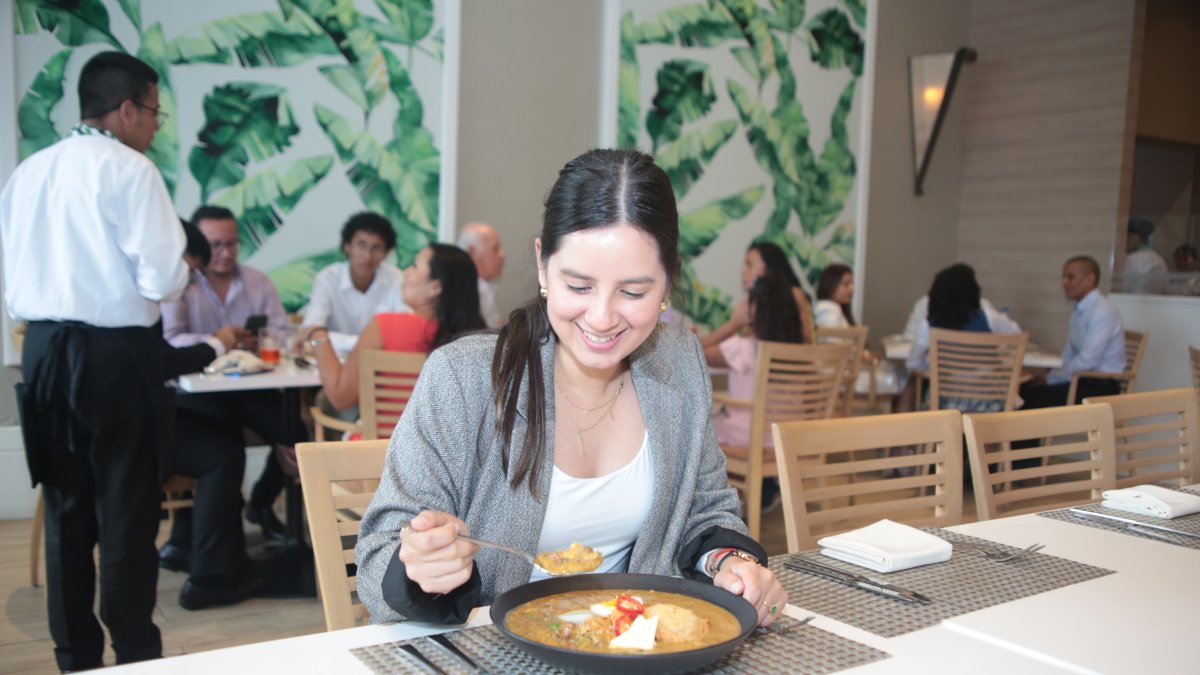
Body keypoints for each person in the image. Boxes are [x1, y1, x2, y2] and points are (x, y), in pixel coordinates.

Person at [355, 149, 786, 627]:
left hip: (627, 649)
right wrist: (420, 564)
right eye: (578, 286)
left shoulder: (680, 365)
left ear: (667, 283)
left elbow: (707, 509)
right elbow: (377, 560)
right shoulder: (464, 377)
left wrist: (729, 562)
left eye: (634, 292)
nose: (601, 319)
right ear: (543, 265)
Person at [1, 51, 189, 670]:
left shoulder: (29, 171)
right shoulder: (131, 171)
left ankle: (74, 656)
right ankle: (135, 651)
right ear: (128, 108)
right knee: (127, 509)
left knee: (66, 509)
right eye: (155, 112)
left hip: (44, 350)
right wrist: (181, 269)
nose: (157, 126)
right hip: (115, 356)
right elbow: (162, 278)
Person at [162, 205, 303, 545]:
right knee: (221, 440)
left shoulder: (257, 281)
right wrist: (219, 342)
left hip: (251, 385)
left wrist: (260, 341)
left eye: (232, 244)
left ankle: (264, 503)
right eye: (215, 245)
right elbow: (171, 339)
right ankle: (197, 528)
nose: (225, 253)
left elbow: (282, 331)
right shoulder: (180, 281)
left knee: (295, 432)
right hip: (195, 392)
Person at [308, 243, 485, 410]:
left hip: (380, 443)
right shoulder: (477, 343)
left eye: (414, 266)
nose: (405, 273)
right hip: (442, 443)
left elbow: (341, 397)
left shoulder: (384, 327)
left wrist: (318, 334)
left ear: (435, 287)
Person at [704, 271, 805, 511]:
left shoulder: (743, 348)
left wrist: (734, 323)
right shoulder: (802, 352)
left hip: (749, 437)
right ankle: (765, 486)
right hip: (788, 436)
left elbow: (695, 351)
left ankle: (722, 502)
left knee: (700, 429)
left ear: (754, 309)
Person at [907, 264, 1022, 411]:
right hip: (990, 401)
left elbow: (913, 362)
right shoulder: (989, 317)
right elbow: (1017, 334)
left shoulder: (930, 324)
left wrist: (938, 368)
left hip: (947, 402)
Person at [1020, 255, 1125, 408]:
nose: (1064, 283)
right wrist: (1051, 377)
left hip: (1100, 388)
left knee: (1027, 398)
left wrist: (1051, 379)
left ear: (1090, 280)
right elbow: (1069, 353)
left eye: (1070, 277)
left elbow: (1088, 360)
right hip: (1080, 380)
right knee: (1024, 389)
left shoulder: (1102, 311)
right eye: (1063, 277)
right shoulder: (1079, 310)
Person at [302, 212, 408, 354]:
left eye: (376, 248)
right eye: (361, 245)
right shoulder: (327, 279)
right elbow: (311, 330)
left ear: (386, 253)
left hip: (380, 364)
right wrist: (367, 344)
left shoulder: (395, 278)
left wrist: (332, 340)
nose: (367, 255)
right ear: (347, 247)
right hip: (335, 362)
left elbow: (405, 332)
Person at [701, 242, 812, 350]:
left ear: (769, 268)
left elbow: (808, 344)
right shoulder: (750, 302)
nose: (742, 271)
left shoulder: (794, 294)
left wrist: (733, 324)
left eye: (749, 265)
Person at [457, 221, 506, 328]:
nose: (502, 254)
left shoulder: (484, 287)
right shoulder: (465, 292)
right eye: (495, 248)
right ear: (472, 252)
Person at [1124, 218, 1168, 294]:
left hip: (1132, 303)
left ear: (1136, 238)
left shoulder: (1132, 258)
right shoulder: (1160, 259)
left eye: (1128, 238)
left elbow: (1124, 289)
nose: (1126, 242)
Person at [814, 263, 856, 328]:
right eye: (846, 284)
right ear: (830, 284)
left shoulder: (837, 309)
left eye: (852, 284)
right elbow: (834, 337)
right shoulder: (826, 308)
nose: (851, 289)